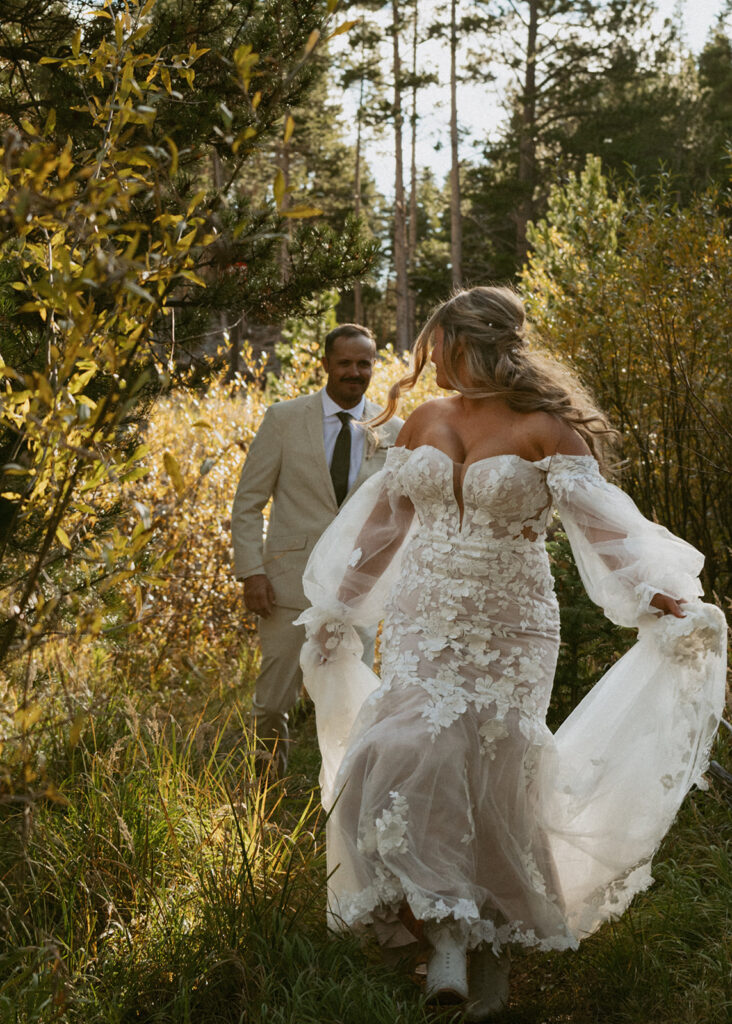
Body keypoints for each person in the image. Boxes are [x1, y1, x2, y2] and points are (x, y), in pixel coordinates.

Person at [296, 287, 726, 1020]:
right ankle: (447, 927)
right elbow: (383, 530)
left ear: (474, 343)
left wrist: (665, 598)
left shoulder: (547, 430)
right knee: (401, 747)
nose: (427, 358)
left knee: (493, 773)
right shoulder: (424, 421)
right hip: (423, 615)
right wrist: (338, 606)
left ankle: (481, 953)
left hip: (511, 625)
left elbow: (608, 536)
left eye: (438, 342)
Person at [231, 324, 403, 773]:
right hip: (286, 585)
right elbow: (248, 502)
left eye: (363, 363)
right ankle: (265, 791)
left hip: (356, 589)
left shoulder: (395, 430)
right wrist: (252, 572)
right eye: (344, 362)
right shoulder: (284, 419)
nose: (354, 372)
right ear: (325, 363)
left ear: (372, 367)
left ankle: (342, 798)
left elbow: (398, 514)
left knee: (352, 700)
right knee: (271, 704)